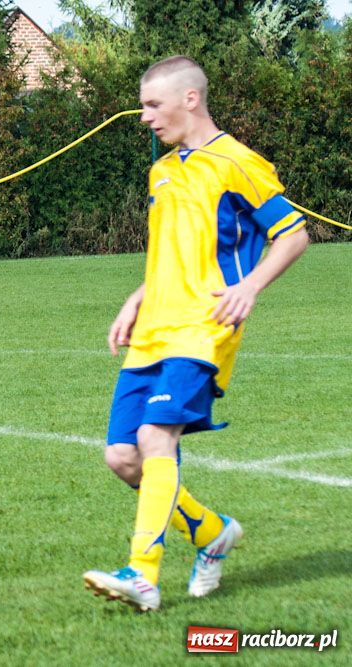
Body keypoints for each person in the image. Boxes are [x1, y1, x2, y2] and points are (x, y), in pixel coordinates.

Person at [82, 56, 309, 612]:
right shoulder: (160, 172)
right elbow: (170, 252)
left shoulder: (239, 163)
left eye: (152, 105)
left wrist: (251, 286)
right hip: (154, 326)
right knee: (122, 458)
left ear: (190, 99)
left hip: (204, 326)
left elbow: (294, 234)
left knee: (156, 440)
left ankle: (142, 575)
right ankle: (211, 533)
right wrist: (138, 296)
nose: (144, 117)